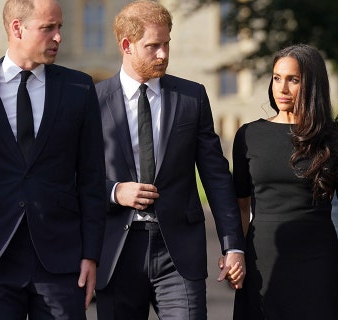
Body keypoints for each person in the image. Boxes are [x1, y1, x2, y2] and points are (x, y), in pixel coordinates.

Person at [0, 0, 106, 318]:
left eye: (60, 27)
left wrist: (91, 255)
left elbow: (91, 178)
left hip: (61, 260)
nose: (58, 37)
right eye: (49, 28)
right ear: (17, 28)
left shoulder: (79, 88)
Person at [94, 1, 246, 319]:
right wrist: (114, 191)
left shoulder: (192, 97)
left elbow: (216, 176)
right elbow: (72, 176)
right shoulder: (92, 102)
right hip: (116, 252)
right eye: (153, 46)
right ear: (126, 45)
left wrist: (233, 245)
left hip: (178, 253)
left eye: (166, 44)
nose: (163, 54)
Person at [231, 44, 338, 320]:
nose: (282, 88)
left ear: (312, 84)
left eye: (293, 80)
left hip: (317, 265)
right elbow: (240, 208)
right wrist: (234, 253)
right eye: (277, 78)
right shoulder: (248, 135)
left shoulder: (337, 141)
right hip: (262, 262)